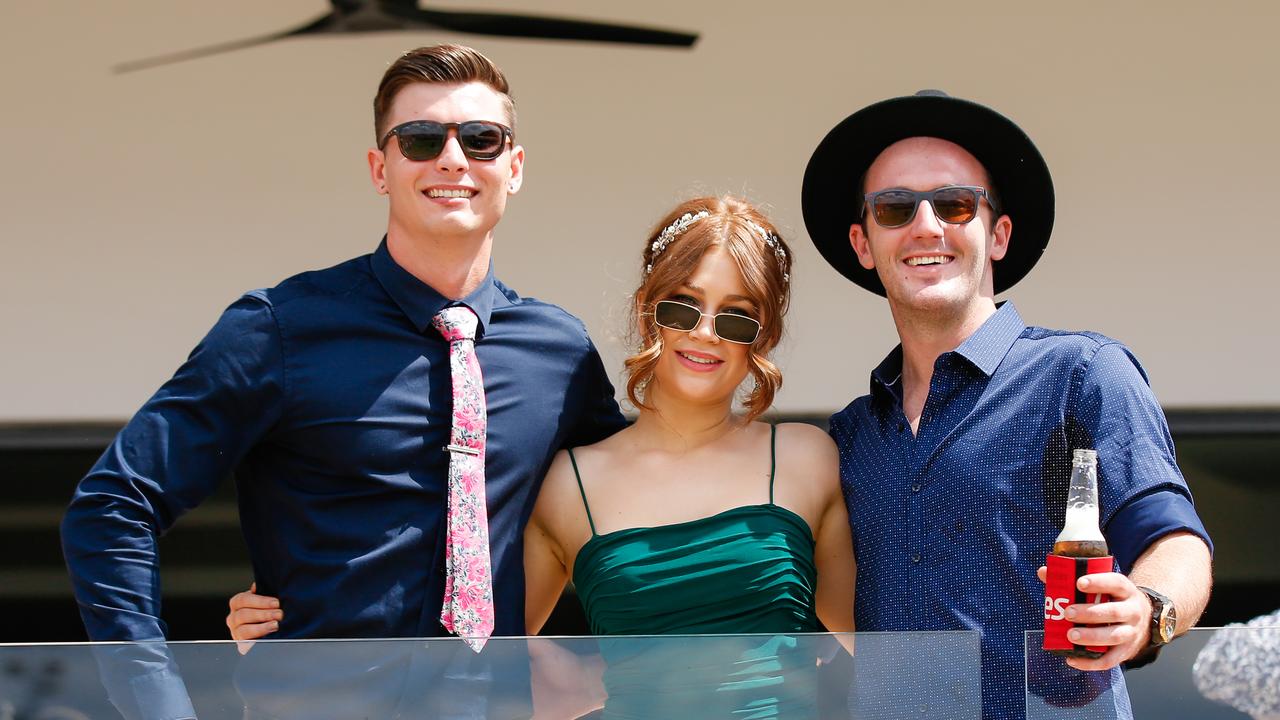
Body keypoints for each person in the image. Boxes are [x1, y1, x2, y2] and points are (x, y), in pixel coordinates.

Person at [60, 44, 625, 718]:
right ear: (379, 169)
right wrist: (160, 707)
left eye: (481, 139)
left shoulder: (558, 353)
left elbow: (636, 505)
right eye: (420, 138)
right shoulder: (277, 330)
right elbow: (113, 506)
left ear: (515, 166)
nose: (452, 159)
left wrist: (607, 672)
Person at [231, 195, 857, 718]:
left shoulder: (806, 459)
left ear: (763, 338)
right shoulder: (568, 483)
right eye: (683, 307)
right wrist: (298, 619)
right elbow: (473, 650)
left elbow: (882, 635)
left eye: (737, 319)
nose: (705, 333)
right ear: (648, 312)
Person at [800, 90, 1214, 719]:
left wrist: (1148, 611)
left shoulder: (1081, 373)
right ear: (864, 243)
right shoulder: (852, 433)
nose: (926, 225)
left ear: (997, 234)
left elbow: (1176, 538)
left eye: (954, 203)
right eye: (895, 208)